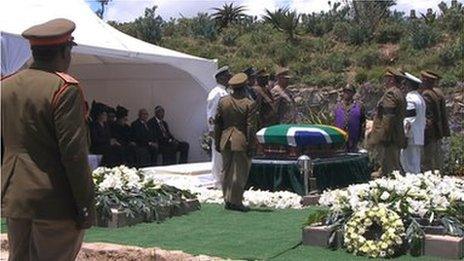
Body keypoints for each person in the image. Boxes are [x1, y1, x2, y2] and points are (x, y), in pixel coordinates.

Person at [1, 18, 94, 260]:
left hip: (15, 197)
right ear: (65, 51)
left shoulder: (6, 86)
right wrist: (84, 205)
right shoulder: (64, 88)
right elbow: (73, 154)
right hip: (55, 200)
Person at [214, 73, 257, 212]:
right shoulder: (249, 103)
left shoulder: (223, 101)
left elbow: (217, 124)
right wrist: (251, 144)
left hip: (225, 139)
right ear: (244, 87)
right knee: (239, 172)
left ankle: (227, 199)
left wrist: (216, 141)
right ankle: (236, 201)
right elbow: (250, 127)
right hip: (241, 140)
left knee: (225, 171)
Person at [368, 68, 407, 176]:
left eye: (387, 79)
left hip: (389, 138)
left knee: (390, 169)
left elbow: (388, 118)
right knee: (393, 166)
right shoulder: (399, 93)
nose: (385, 81)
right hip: (395, 135)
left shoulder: (390, 93)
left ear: (392, 80)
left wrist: (382, 137)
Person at [421, 70, 450, 172]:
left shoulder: (426, 95)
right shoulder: (438, 93)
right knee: (437, 159)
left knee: (427, 160)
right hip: (438, 131)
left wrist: (424, 134)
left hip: (430, 133)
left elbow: (428, 117)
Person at [207, 66, 231, 188]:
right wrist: (212, 130)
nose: (229, 78)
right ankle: (217, 181)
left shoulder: (225, 92)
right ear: (220, 78)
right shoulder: (216, 93)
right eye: (227, 76)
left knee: (224, 155)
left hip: (226, 128)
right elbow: (211, 113)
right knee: (218, 156)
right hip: (218, 129)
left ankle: (223, 179)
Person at [400, 73, 426, 174]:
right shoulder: (420, 98)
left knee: (408, 163)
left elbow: (408, 119)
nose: (403, 86)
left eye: (405, 84)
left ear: (408, 85)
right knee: (415, 162)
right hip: (418, 135)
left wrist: (405, 136)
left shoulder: (409, 98)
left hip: (411, 136)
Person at [333, 84, 366, 152]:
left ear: (353, 93)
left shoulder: (359, 106)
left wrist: (361, 138)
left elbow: (363, 123)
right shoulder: (337, 106)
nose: (347, 93)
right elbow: (334, 122)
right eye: (345, 91)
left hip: (354, 140)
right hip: (340, 139)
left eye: (349, 91)